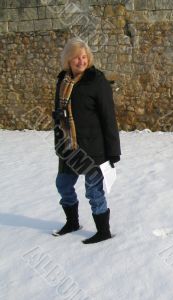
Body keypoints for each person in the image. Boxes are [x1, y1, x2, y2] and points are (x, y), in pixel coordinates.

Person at [52, 37, 121, 244]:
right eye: (76, 58)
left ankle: (103, 231)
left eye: (84, 57)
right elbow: (58, 114)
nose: (81, 61)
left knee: (93, 191)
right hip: (68, 146)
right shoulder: (63, 81)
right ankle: (72, 222)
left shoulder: (97, 81)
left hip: (93, 148)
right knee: (63, 184)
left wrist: (113, 152)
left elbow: (109, 118)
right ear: (68, 60)